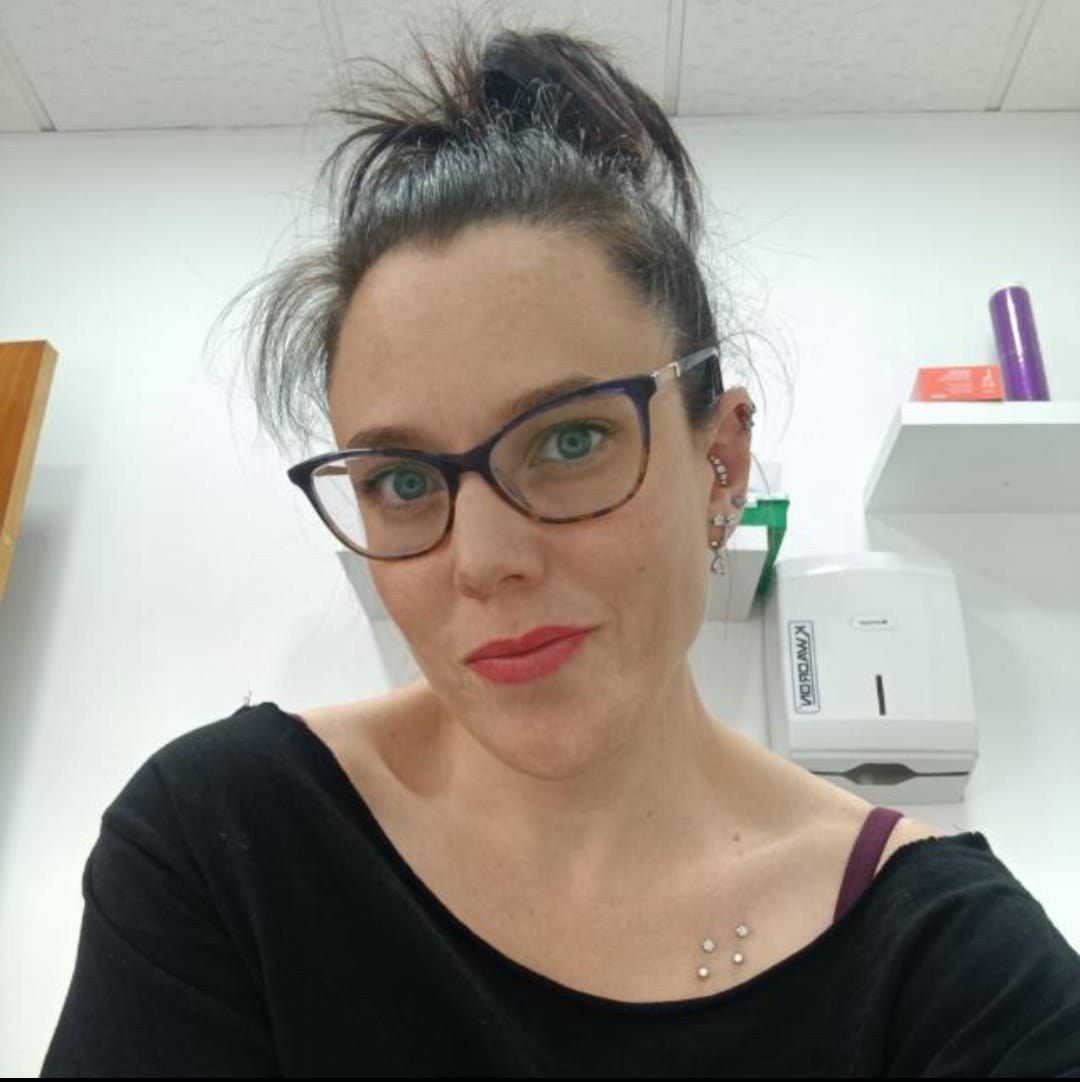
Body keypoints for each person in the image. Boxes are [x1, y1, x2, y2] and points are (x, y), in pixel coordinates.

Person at [41, 4, 1080, 1076]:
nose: (483, 559)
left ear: (720, 460)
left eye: (570, 439)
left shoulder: (953, 967)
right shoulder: (227, 845)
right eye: (404, 480)